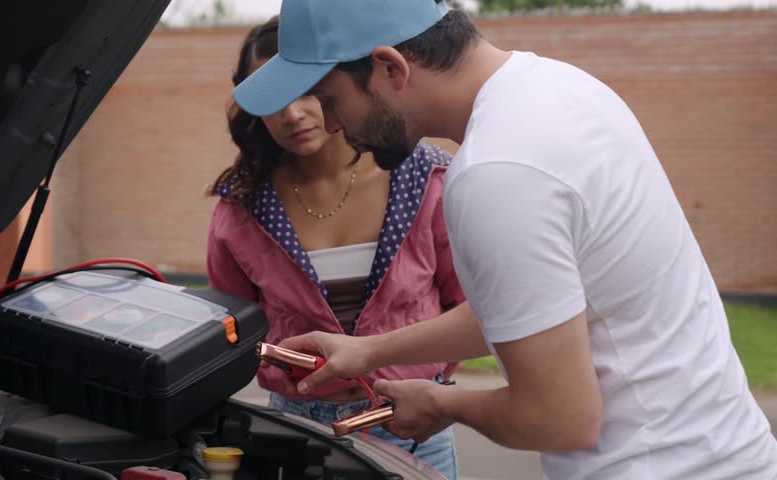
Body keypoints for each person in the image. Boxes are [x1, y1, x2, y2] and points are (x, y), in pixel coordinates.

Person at [231, 1, 777, 479]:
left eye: (330, 99)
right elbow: (535, 306)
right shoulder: (561, 88)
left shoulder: (496, 173)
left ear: (389, 67)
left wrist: (442, 403)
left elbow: (559, 419)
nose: (328, 124)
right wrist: (368, 350)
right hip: (727, 453)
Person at [206, 16, 465, 479]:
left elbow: (468, 304)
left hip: (410, 419)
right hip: (294, 426)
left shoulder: (427, 180)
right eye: (274, 99)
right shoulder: (241, 208)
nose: (292, 115)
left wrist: (435, 385)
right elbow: (233, 331)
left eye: (307, 91)